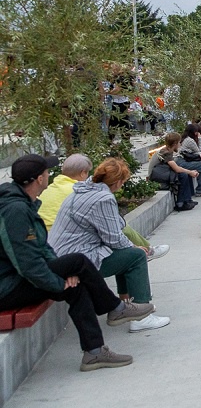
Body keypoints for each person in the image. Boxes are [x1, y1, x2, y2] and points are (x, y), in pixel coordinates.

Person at [0, 154, 153, 371]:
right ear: (39, 179)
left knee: (77, 281)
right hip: (7, 287)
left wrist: (63, 271)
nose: (48, 175)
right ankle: (115, 308)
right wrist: (57, 283)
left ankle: (94, 352)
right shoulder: (15, 210)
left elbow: (42, 248)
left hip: (14, 278)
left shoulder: (23, 203)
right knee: (79, 262)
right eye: (46, 172)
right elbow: (26, 263)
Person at [49, 158, 171, 333]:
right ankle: (141, 317)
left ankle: (128, 304)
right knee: (135, 256)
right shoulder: (103, 198)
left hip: (61, 257)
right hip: (76, 261)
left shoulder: (83, 190)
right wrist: (135, 247)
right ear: (118, 182)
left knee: (125, 251)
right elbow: (114, 238)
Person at [39, 153, 171, 260]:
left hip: (50, 239)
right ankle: (147, 251)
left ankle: (145, 251)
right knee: (125, 235)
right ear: (82, 173)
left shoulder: (52, 188)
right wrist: (133, 248)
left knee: (120, 231)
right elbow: (113, 236)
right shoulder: (78, 191)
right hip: (73, 247)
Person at [148, 132, 199, 212]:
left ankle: (188, 200)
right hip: (156, 175)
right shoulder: (165, 152)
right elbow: (177, 169)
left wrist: (189, 172)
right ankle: (180, 203)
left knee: (186, 173)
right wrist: (190, 172)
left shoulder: (168, 150)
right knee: (183, 175)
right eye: (179, 142)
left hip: (163, 172)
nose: (180, 144)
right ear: (175, 143)